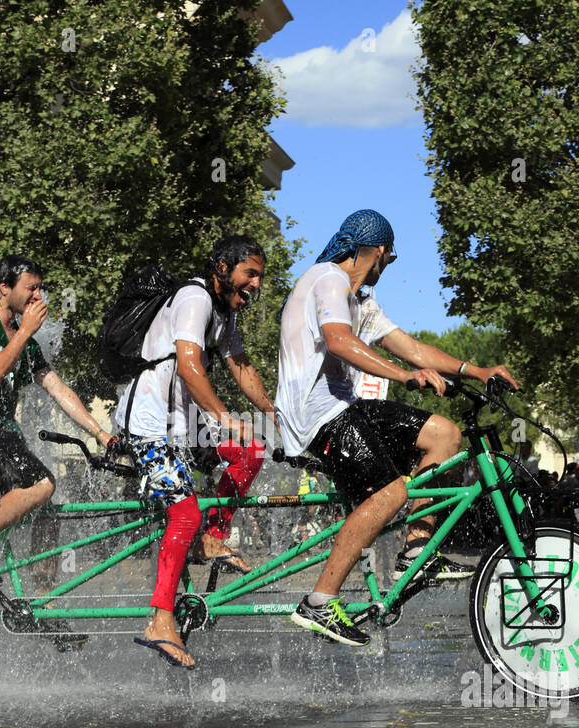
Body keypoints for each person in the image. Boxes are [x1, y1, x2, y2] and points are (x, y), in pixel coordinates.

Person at [275, 209, 519, 645]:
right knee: (391, 491)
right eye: (389, 259)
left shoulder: (360, 301)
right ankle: (318, 601)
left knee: (444, 434)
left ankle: (415, 548)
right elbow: (338, 341)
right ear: (381, 252)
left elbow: (412, 348)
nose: (386, 267)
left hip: (347, 408)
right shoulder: (326, 278)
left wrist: (475, 370)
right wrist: (403, 377)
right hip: (317, 417)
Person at [116, 235, 277, 669]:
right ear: (223, 268)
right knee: (184, 513)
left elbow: (240, 366)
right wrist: (226, 417)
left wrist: (272, 413)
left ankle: (213, 539)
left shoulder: (224, 314)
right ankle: (160, 622)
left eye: (260, 277)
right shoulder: (194, 298)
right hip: (150, 429)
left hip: (186, 427)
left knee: (251, 451)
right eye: (251, 274)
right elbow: (189, 366)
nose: (256, 285)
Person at [0, 254, 111, 587]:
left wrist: (101, 434)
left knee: (48, 510)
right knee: (42, 483)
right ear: (4, 288)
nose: (38, 297)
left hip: (1, 435)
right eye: (31, 289)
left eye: (40, 289)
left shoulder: (26, 341)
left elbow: (58, 389)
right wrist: (26, 333)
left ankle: (41, 599)